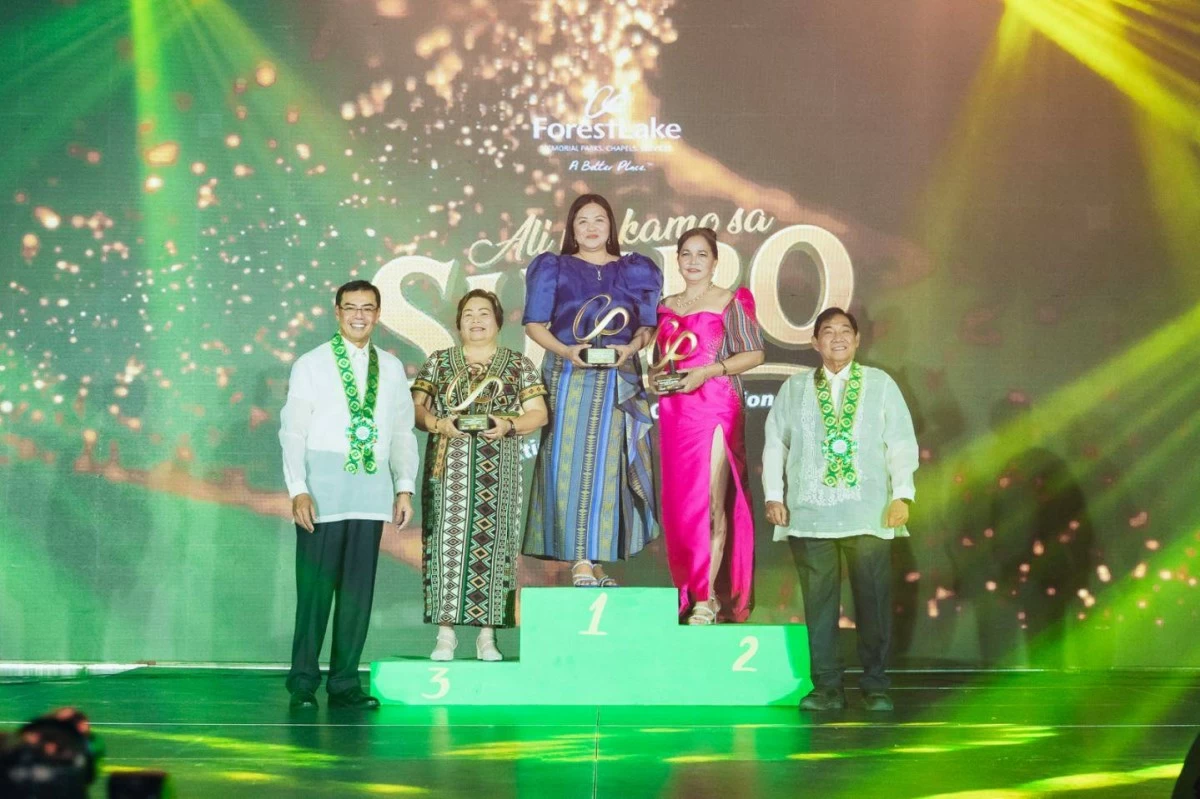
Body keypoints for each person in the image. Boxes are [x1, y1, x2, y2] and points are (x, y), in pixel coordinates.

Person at [762, 307, 918, 712]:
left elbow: (901, 441)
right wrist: (773, 495)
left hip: (870, 511)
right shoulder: (794, 389)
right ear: (814, 342)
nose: (837, 338)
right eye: (827, 332)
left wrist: (902, 493)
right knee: (819, 605)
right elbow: (775, 443)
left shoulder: (880, 384)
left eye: (845, 331)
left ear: (858, 339)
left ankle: (876, 685)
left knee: (874, 601)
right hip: (810, 515)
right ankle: (827, 688)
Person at [279, 279, 418, 710]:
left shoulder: (392, 368)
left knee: (358, 593)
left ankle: (344, 685)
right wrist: (298, 489)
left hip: (371, 491)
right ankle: (303, 683)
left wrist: (403, 486)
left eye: (368, 308)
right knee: (315, 592)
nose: (359, 315)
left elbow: (400, 431)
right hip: (322, 492)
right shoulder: (312, 363)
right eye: (351, 307)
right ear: (336, 311)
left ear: (378, 315)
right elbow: (293, 431)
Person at [522, 193, 663, 586]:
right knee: (569, 465)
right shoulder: (554, 267)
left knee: (611, 468)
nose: (591, 228)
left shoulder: (634, 269)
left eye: (598, 219)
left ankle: (597, 557)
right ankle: (578, 557)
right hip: (570, 375)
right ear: (571, 228)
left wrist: (631, 348)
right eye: (582, 221)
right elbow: (535, 325)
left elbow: (646, 326)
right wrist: (568, 349)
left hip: (619, 377)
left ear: (611, 225)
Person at [410, 290, 548, 661]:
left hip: (497, 468)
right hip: (447, 465)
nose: (476, 320)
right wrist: (438, 423)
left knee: (494, 543)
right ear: (457, 323)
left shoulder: (517, 365)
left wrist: (509, 424)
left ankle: (488, 636)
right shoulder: (438, 363)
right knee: (446, 543)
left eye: (484, 313)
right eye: (468, 314)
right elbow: (414, 410)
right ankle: (445, 635)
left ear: (498, 321)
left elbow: (539, 414)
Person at [651, 227, 765, 624]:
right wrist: (655, 378)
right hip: (674, 412)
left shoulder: (730, 302)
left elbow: (754, 353)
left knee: (711, 502)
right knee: (681, 507)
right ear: (678, 259)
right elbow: (659, 362)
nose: (693, 261)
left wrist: (709, 371)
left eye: (702, 254)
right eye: (686, 254)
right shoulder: (665, 306)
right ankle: (687, 590)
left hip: (715, 404)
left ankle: (707, 597)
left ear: (715, 261)